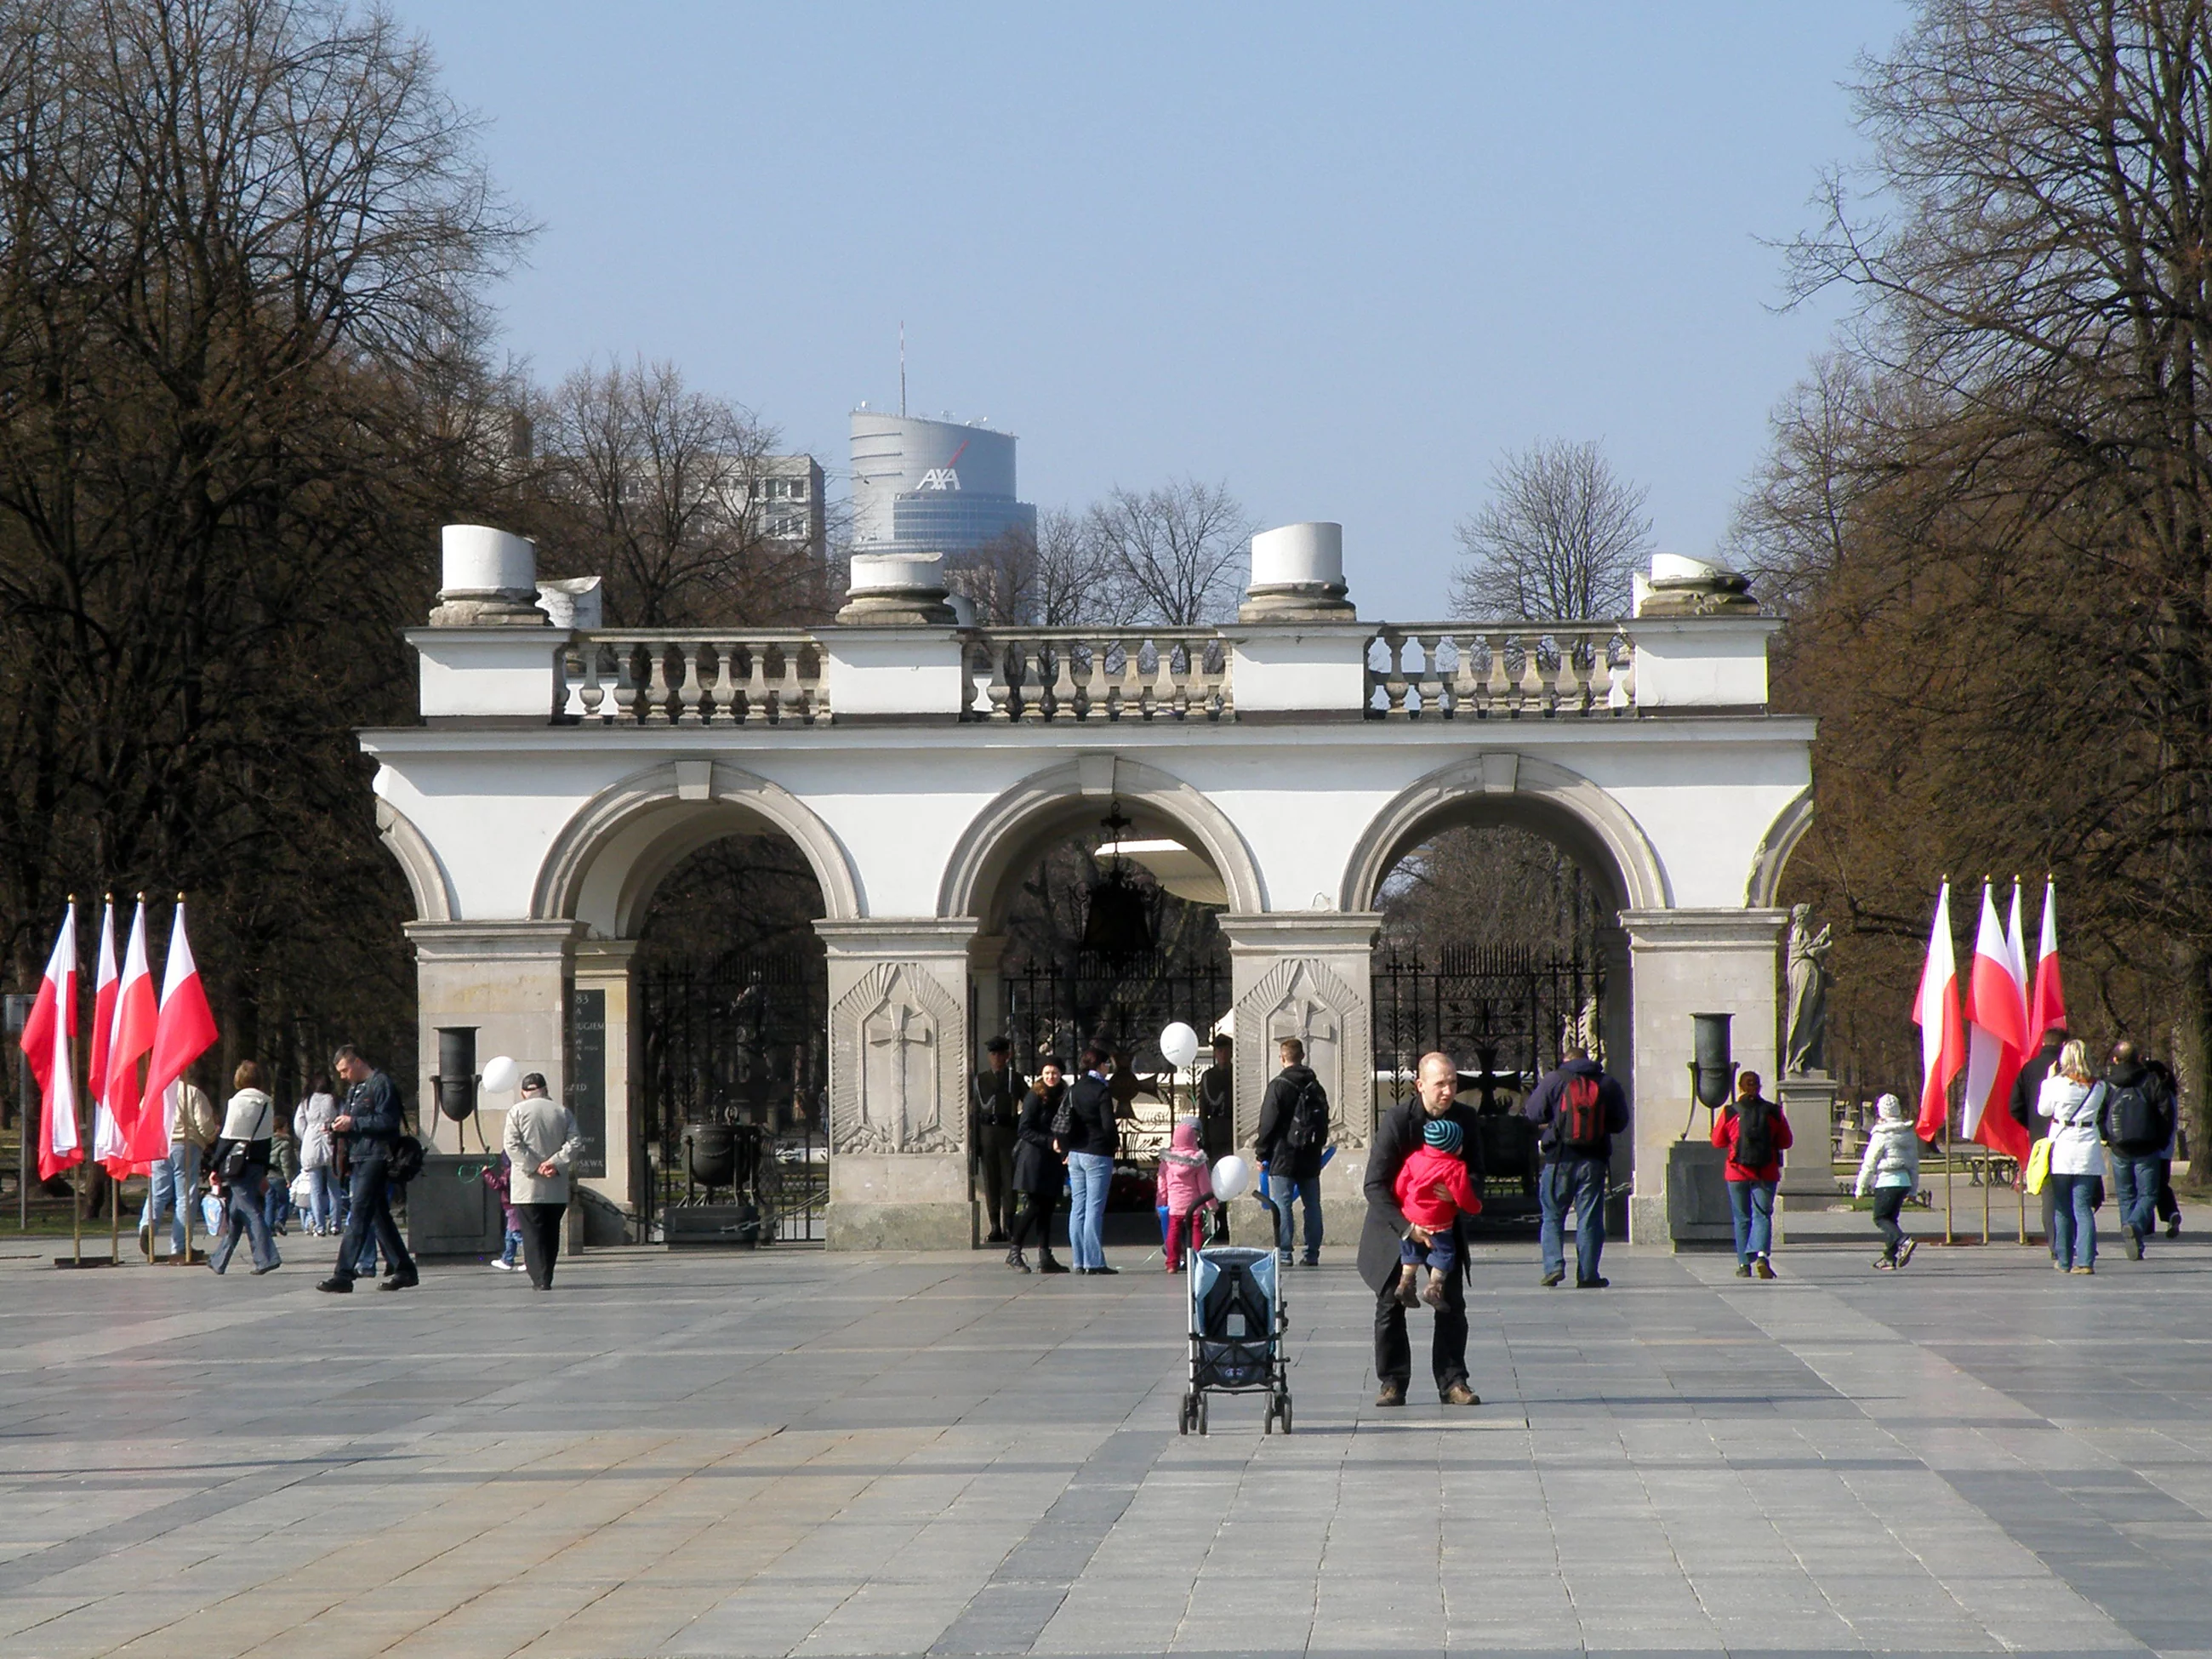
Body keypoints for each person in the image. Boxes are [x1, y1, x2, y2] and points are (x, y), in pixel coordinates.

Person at [1360, 1052, 1482, 1409]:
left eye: (1453, 1083)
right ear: (1420, 1085)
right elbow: (1374, 1185)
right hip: (1396, 1226)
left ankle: (1453, 1381)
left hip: (1444, 1227)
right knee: (1390, 1304)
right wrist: (1407, 1227)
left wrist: (1459, 1193)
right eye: (1440, 1084)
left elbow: (1477, 1175)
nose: (1448, 1091)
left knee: (1449, 1304)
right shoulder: (1399, 1120)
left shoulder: (1466, 1119)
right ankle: (1393, 1382)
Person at [1523, 1044, 1629, 1289]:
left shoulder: (1554, 1079)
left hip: (1558, 1158)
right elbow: (1619, 1122)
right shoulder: (1607, 1083)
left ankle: (1554, 1267)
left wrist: (1554, 1122)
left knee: (1552, 1215)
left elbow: (1533, 1113)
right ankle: (1589, 1273)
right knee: (1590, 1217)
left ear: (1565, 1059)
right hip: (1594, 1159)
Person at [317, 1045, 418, 1294]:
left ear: (358, 1062)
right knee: (378, 1215)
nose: (342, 1076)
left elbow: (388, 1121)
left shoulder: (380, 1084)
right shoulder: (354, 1090)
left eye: (344, 1070)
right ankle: (404, 1269)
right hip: (359, 1156)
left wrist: (354, 1122)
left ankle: (343, 1274)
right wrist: (338, 1126)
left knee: (359, 1212)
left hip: (377, 1156)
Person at [503, 1072, 584, 1290]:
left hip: (527, 1186)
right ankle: (547, 1273)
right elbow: (575, 1142)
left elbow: (512, 1145)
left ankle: (539, 1278)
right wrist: (554, 1163)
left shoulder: (516, 1112)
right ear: (546, 1090)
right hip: (555, 1186)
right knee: (551, 1232)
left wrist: (535, 1166)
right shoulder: (562, 1112)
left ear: (523, 1092)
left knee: (532, 1234)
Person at [1392, 1117, 1483, 1308]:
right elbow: (1464, 1197)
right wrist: (1476, 1207)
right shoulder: (1455, 1167)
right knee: (1445, 1252)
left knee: (1410, 1251)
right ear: (1454, 1147)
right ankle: (1434, 1288)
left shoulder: (1414, 1158)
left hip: (1411, 1217)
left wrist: (1406, 1204)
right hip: (1437, 1220)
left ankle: (1405, 1283)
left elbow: (1400, 1186)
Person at [1254, 1037, 1328, 1266]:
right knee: (1312, 1205)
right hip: (1310, 1153)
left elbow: (1268, 1122)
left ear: (1282, 1057)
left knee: (1282, 1203)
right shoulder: (1315, 1086)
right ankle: (1312, 1253)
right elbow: (1325, 1118)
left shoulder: (1279, 1085)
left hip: (1283, 1154)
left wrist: (1261, 1153)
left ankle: (1285, 1254)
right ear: (1302, 1056)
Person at [2099, 1040, 2175, 1262]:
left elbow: (2100, 1114)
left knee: (2126, 1196)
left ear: (2115, 1059)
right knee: (2149, 1194)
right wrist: (2160, 1140)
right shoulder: (2151, 1081)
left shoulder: (2108, 1083)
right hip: (2147, 1147)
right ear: (2139, 1058)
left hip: (2119, 1147)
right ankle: (2135, 1226)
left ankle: (2133, 1241)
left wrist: (2108, 1137)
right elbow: (2165, 1114)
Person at [1713, 1071, 1793, 1280]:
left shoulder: (1730, 1112)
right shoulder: (1774, 1112)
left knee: (1742, 1218)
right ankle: (1762, 1255)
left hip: (1736, 1172)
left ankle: (1743, 1264)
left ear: (1740, 1087)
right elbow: (1786, 1142)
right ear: (1759, 1086)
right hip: (1766, 1171)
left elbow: (1717, 1141)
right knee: (1763, 1215)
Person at [206, 1062, 281, 1276]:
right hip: (257, 1162)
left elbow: (228, 1138)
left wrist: (215, 1167)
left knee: (249, 1210)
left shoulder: (237, 1102)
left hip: (238, 1164)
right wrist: (264, 1171)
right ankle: (219, 1260)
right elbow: (266, 1140)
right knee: (236, 1213)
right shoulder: (267, 1104)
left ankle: (267, 1258)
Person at [2039, 1039, 2105, 1274]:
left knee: (2061, 1207)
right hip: (2088, 1146)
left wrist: (2048, 1080)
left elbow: (2043, 1110)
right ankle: (2086, 1260)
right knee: (2083, 1207)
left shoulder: (2056, 1084)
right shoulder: (2099, 1086)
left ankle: (2064, 1259)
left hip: (2063, 1146)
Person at [139, 1070, 219, 1260]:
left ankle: (147, 1225)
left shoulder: (153, 1093)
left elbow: (143, 1118)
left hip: (159, 1145)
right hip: (185, 1144)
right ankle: (180, 1245)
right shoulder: (191, 1092)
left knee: (157, 1192)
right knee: (185, 1195)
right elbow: (204, 1125)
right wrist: (211, 1137)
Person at [1006, 1058, 1070, 1274]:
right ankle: (1014, 1251)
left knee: (1048, 1208)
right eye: (1047, 1073)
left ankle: (1045, 1256)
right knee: (1034, 1206)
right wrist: (1049, 1141)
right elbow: (1024, 1129)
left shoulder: (1064, 1095)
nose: (1051, 1077)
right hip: (1034, 1159)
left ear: (1061, 1074)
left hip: (1053, 1160)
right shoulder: (1034, 1096)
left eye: (1054, 1072)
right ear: (1041, 1075)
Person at [2010, 1025, 2067, 1257]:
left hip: (2040, 1140)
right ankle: (2073, 1239)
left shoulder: (2029, 1068)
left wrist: (2033, 1126)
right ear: (2064, 1046)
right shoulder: (2071, 1071)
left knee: (2050, 1195)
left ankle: (2056, 1244)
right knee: (2079, 1195)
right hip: (2070, 1138)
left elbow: (2014, 1106)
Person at [1063, 1046, 1119, 1274]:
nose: (1108, 1069)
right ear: (1100, 1065)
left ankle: (1079, 1260)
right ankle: (1094, 1262)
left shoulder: (1074, 1089)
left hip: (1075, 1153)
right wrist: (1114, 1143)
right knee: (1094, 1208)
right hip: (1097, 1153)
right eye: (1106, 1064)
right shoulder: (1101, 1090)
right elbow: (1108, 1124)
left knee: (1078, 1208)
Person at [1853, 1092, 1921, 1270]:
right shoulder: (1908, 1133)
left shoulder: (1880, 1134)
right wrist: (1913, 1191)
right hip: (1904, 1181)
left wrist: (1860, 1187)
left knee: (1880, 1218)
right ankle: (1889, 1258)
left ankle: (1904, 1241)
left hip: (1887, 1181)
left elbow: (1869, 1162)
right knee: (1891, 1220)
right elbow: (1914, 1164)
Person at [971, 1036, 1023, 1245]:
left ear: (1008, 1056)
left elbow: (1028, 1103)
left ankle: (1010, 1224)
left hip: (1008, 1134)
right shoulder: (980, 1079)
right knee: (991, 1182)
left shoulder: (1014, 1079)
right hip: (987, 1136)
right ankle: (995, 1226)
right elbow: (973, 1112)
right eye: (993, 1054)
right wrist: (975, 1142)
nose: (997, 1058)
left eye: (1001, 1054)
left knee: (1009, 1181)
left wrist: (1019, 1123)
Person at [1157, 1116, 1212, 1272]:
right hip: (1194, 1205)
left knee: (1173, 1233)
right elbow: (1204, 1185)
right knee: (1196, 1231)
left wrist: (1160, 1204)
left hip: (1175, 1205)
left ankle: (1172, 1263)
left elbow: (1162, 1184)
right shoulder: (1198, 1162)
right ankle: (1196, 1261)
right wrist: (1211, 1204)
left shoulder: (1166, 1161)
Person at [293, 1075, 339, 1236]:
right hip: (331, 1143)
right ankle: (335, 1224)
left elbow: (298, 1124)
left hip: (311, 1144)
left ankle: (319, 1226)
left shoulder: (306, 1102)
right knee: (334, 1188)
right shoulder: (334, 1100)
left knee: (315, 1189)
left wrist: (306, 1136)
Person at [1197, 1034, 1235, 1161]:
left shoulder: (1236, 1074)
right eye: (1220, 1051)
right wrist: (1203, 1135)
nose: (1223, 1054)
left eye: (1226, 1051)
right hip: (1215, 1131)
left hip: (1233, 1128)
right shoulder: (1209, 1076)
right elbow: (1203, 1107)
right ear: (1215, 1053)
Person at [483, 1153, 522, 1272]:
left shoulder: (510, 1172)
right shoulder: (517, 1170)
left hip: (512, 1206)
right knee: (510, 1235)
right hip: (513, 1205)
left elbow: (498, 1185)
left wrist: (487, 1173)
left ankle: (532, 1259)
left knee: (517, 1234)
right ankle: (507, 1259)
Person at [265, 1110, 299, 1238]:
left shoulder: (267, 1141)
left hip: (268, 1175)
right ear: (282, 1128)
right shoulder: (285, 1143)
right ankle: (280, 1221)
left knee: (270, 1202)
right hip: (279, 1176)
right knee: (284, 1201)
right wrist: (288, 1178)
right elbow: (285, 1162)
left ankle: (269, 1227)